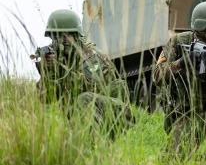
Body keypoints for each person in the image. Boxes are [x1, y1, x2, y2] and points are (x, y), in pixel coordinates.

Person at [153, 1, 206, 159]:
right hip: (184, 114)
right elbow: (157, 76)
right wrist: (181, 63)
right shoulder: (178, 43)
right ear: (204, 28)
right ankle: (202, 160)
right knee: (173, 160)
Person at [33, 9, 133, 137]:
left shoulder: (92, 56)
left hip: (116, 114)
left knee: (84, 98)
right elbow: (44, 99)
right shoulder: (58, 59)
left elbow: (91, 88)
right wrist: (49, 72)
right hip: (84, 119)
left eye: (65, 36)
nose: (60, 41)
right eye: (56, 36)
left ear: (76, 35)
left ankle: (92, 147)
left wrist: (62, 71)